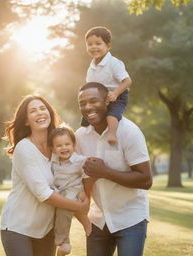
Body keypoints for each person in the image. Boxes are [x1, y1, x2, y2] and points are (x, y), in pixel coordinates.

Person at [0, 95, 89, 256]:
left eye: (43, 108)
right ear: (26, 121)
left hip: (46, 230)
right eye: (33, 111)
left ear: (49, 113)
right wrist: (80, 207)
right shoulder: (24, 148)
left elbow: (72, 178)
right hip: (18, 229)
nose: (40, 113)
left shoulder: (59, 147)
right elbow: (44, 194)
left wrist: (83, 192)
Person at [76, 82, 153, 256]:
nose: (88, 107)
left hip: (130, 219)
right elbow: (82, 176)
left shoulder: (129, 132)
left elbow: (146, 180)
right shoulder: (80, 136)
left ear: (107, 102)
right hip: (98, 219)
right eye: (82, 103)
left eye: (94, 101)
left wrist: (105, 172)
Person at [48, 126, 93, 256]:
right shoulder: (53, 161)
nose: (64, 148)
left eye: (67, 144)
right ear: (52, 149)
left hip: (74, 190)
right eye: (59, 145)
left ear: (74, 145)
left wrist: (85, 192)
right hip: (59, 190)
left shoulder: (79, 160)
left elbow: (87, 173)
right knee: (56, 207)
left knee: (64, 208)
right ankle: (64, 243)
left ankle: (63, 241)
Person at [82, 26, 132, 144]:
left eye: (98, 43)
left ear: (108, 46)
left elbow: (127, 81)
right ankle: (87, 135)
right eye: (90, 44)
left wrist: (115, 93)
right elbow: (90, 85)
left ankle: (112, 135)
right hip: (100, 98)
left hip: (118, 96)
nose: (94, 47)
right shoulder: (91, 67)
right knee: (86, 115)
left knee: (112, 115)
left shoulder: (114, 63)